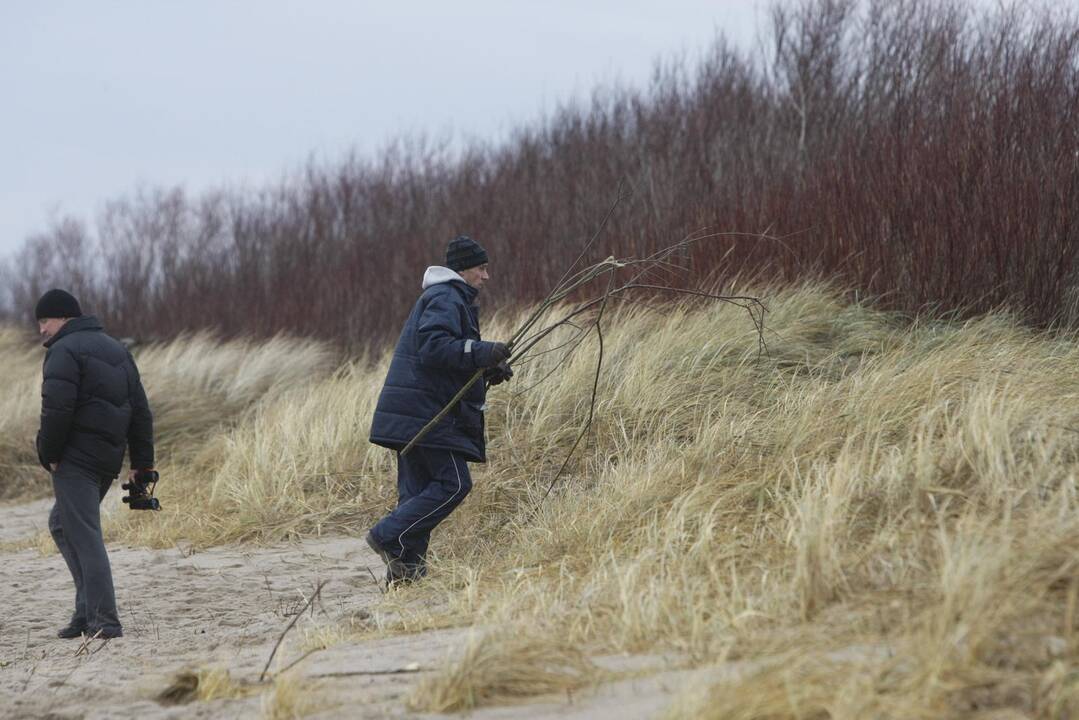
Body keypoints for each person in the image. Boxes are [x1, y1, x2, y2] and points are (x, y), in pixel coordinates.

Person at [366, 236, 512, 585]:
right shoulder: (446, 296)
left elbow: (443, 355)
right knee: (454, 483)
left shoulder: (446, 297)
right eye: (481, 268)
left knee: (416, 496)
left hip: (413, 414)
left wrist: (487, 368)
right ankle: (387, 535)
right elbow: (434, 347)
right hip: (426, 414)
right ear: (463, 269)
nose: (486, 276)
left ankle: (404, 582)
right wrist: (480, 352)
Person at [35, 289, 154, 639]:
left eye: (45, 320)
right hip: (107, 458)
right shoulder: (117, 349)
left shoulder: (63, 351)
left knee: (84, 535)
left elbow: (56, 410)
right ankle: (86, 610)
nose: (41, 329)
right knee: (61, 524)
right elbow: (141, 410)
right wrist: (141, 463)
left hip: (75, 459)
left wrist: (50, 453)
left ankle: (105, 620)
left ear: (65, 319)